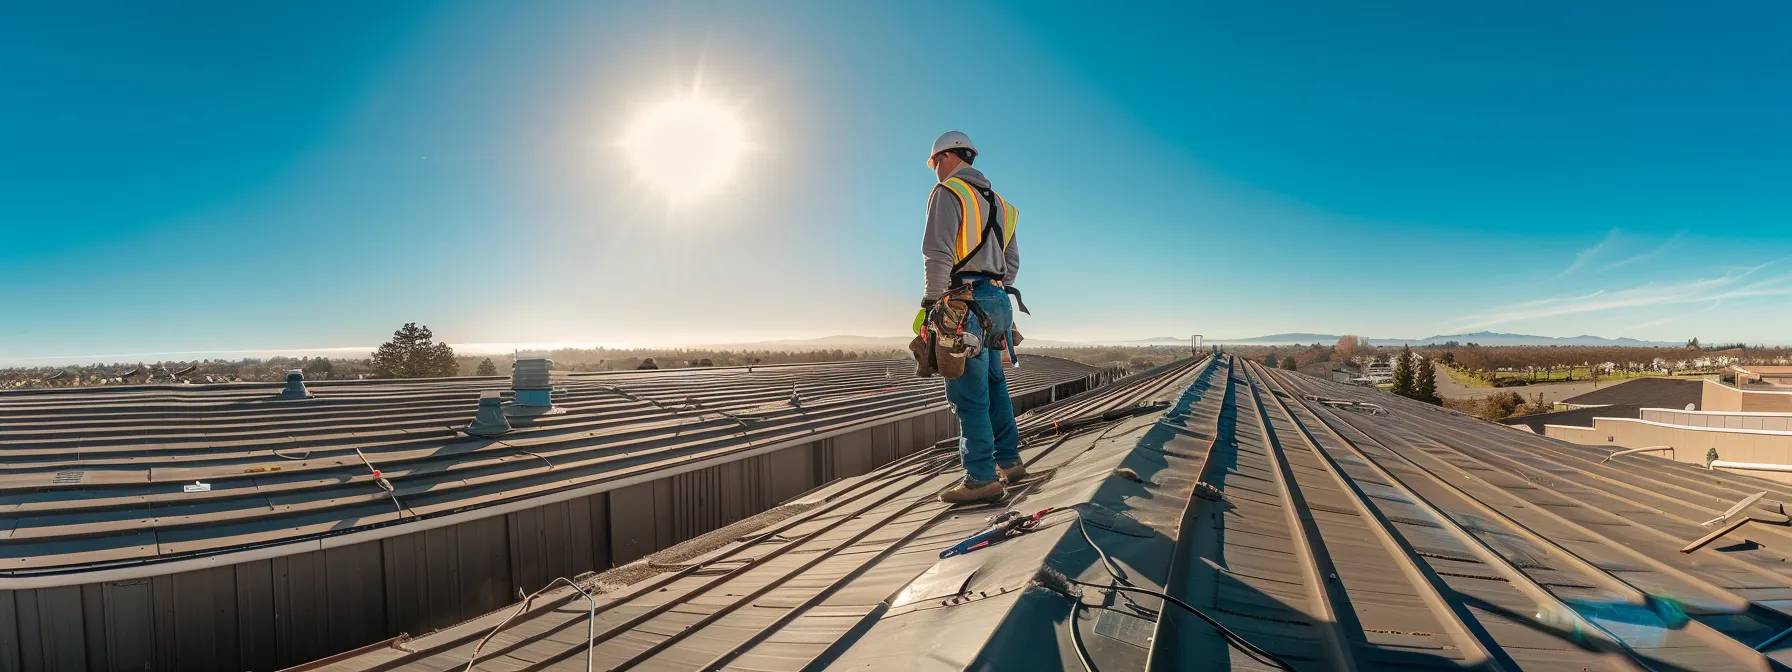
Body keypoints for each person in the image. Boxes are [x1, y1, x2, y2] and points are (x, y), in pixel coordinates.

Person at [918, 130, 1023, 504]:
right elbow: (1011, 264)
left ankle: (980, 477)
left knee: (967, 393)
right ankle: (1010, 461)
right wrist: (993, 288)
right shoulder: (1002, 206)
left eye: (933, 163)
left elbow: (937, 251)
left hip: (965, 303)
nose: (934, 171)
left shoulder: (948, 193)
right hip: (997, 301)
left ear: (946, 157)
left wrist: (932, 303)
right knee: (995, 384)